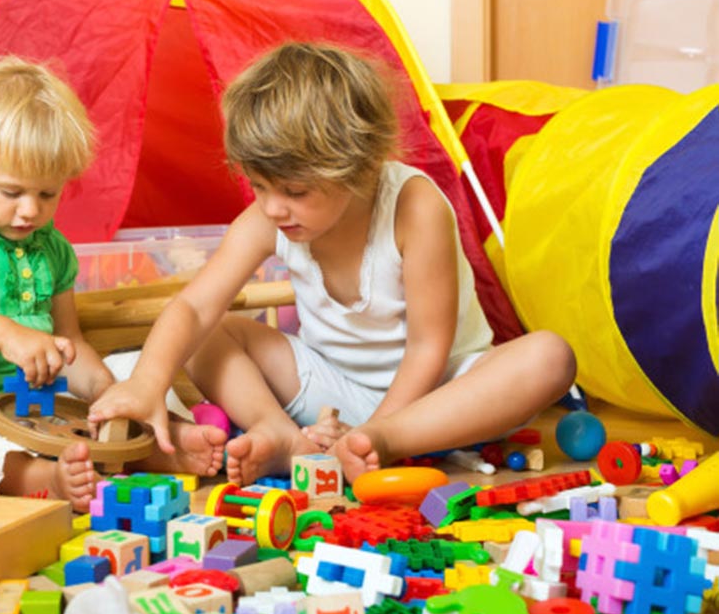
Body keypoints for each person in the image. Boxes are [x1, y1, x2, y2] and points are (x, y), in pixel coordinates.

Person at [88, 42, 576, 486]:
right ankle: (280, 434)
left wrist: (377, 430)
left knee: (550, 357)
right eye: (260, 186)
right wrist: (147, 382)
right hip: (332, 392)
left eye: (295, 192)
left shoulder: (414, 207)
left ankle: (380, 444)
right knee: (209, 333)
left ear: (360, 166)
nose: (274, 208)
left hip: (443, 396)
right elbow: (193, 308)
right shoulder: (269, 218)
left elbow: (430, 347)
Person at [0, 57, 224, 512]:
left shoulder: (52, 250)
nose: (30, 211)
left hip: (30, 411)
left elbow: (69, 342)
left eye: (47, 194)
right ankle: (31, 476)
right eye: (11, 193)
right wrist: (6, 333)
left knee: (134, 365)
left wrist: (106, 392)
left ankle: (156, 441)